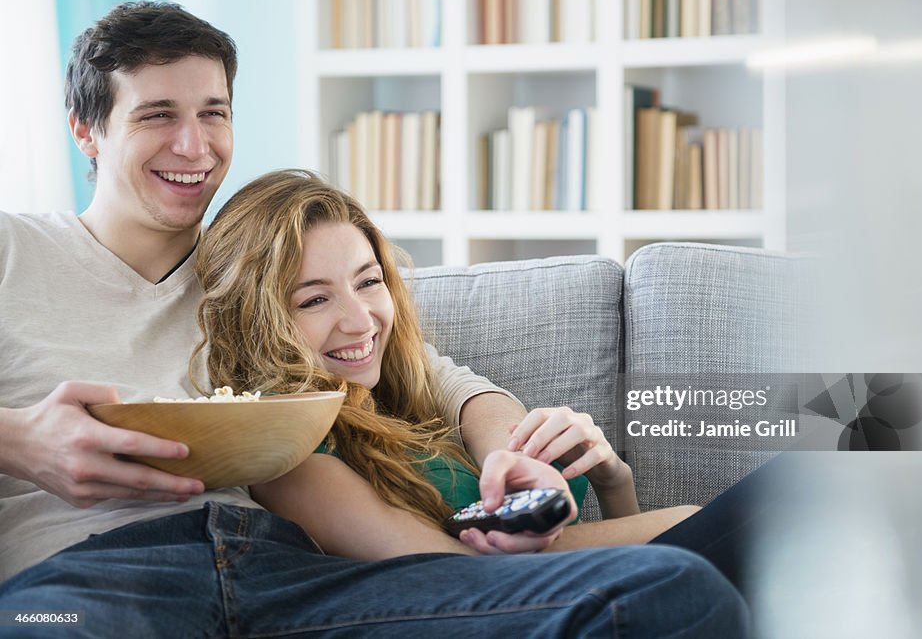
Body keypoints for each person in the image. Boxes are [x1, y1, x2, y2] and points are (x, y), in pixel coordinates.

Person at [0, 1, 748, 636]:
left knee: (670, 589)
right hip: (93, 578)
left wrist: (503, 458)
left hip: (286, 570)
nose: (194, 146)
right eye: (157, 115)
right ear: (86, 130)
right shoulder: (13, 250)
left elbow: (444, 382)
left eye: (214, 114)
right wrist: (20, 439)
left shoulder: (257, 267)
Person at [192, 168, 702, 557]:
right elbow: (451, 571)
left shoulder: (394, 389)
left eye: (369, 282)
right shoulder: (283, 437)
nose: (360, 321)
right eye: (313, 300)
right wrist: (675, 525)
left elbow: (469, 395)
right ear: (256, 319)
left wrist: (616, 481)